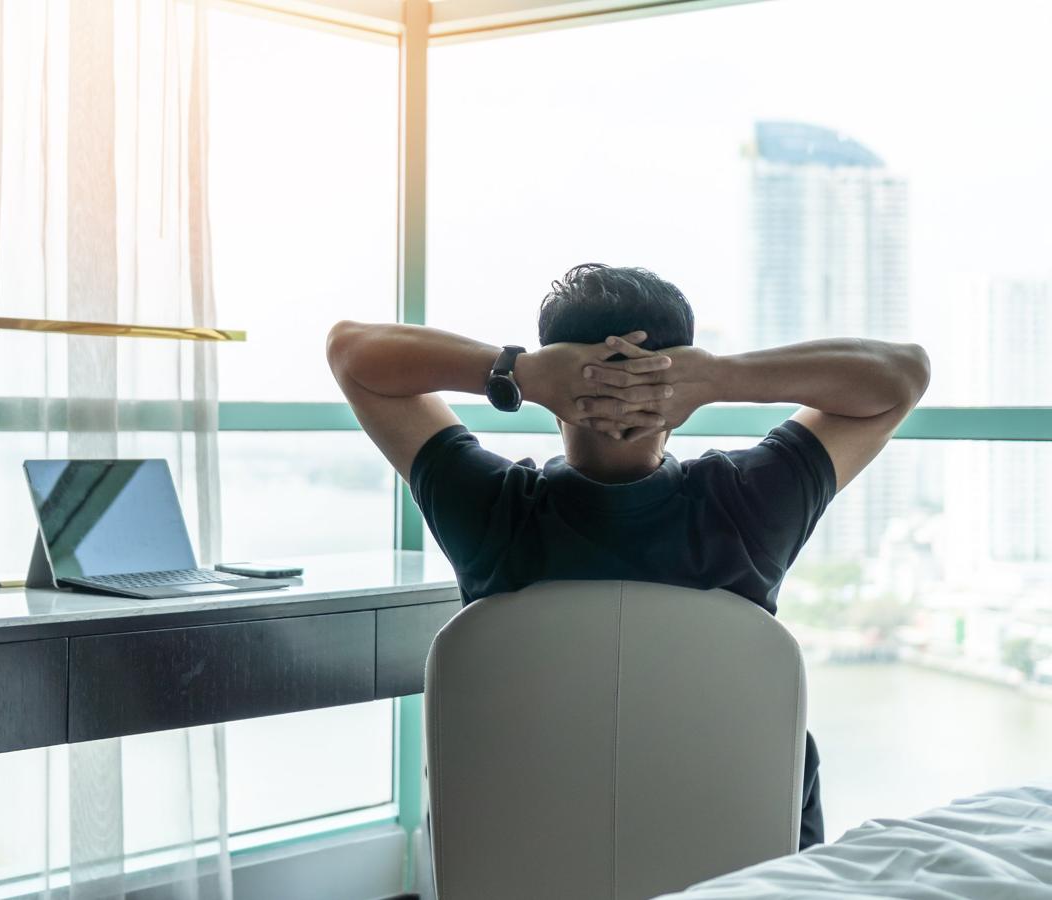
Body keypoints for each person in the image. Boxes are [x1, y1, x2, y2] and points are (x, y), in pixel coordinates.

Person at [326, 262, 930, 850]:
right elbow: (902, 375)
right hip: (740, 866)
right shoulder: (750, 504)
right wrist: (717, 378)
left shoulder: (489, 508)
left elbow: (350, 352)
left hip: (519, 857)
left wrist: (515, 371)